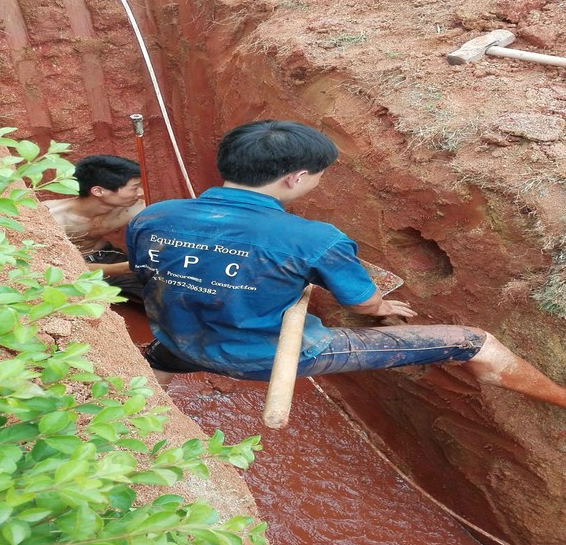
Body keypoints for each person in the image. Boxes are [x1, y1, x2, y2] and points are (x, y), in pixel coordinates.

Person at [126, 119, 566, 409]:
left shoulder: (153, 216)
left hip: (177, 342)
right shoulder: (315, 239)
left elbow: (154, 273)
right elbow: (362, 304)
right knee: (475, 342)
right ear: (296, 178)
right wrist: (381, 307)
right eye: (319, 176)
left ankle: (138, 422)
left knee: (158, 361)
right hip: (269, 359)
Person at [45, 154, 146, 300]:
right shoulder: (53, 219)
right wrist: (126, 268)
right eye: (135, 188)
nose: (141, 192)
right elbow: (54, 268)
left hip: (107, 256)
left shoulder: (133, 208)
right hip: (72, 270)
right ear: (98, 191)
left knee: (165, 293)